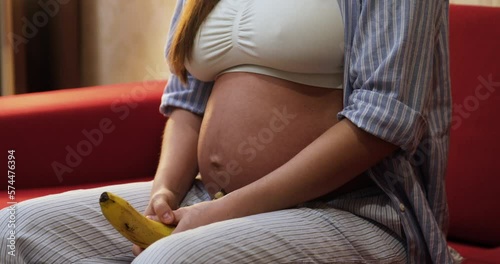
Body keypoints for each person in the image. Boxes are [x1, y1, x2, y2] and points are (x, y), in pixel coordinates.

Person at [0, 0, 462, 263]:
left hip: (354, 209)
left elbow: (382, 121)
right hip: (210, 199)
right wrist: (164, 191)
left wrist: (222, 216)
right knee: (12, 232)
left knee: (170, 262)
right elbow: (187, 99)